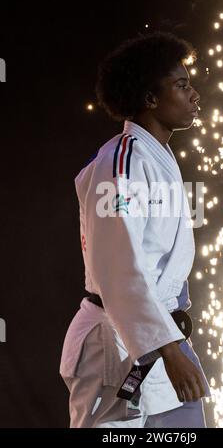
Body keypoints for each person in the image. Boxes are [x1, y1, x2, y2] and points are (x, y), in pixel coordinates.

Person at [59, 31, 211, 428]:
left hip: (158, 335)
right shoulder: (120, 163)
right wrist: (166, 347)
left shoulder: (156, 158)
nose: (194, 94)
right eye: (181, 85)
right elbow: (118, 269)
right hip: (116, 344)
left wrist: (172, 342)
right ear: (149, 99)